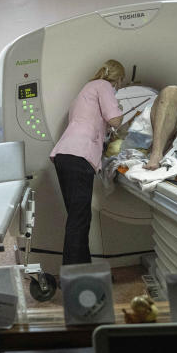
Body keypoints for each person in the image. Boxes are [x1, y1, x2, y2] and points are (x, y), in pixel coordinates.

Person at [49, 59, 125, 266]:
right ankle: (74, 277)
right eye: (121, 83)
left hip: (64, 155)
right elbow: (115, 120)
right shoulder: (105, 86)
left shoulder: (86, 89)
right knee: (80, 221)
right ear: (118, 79)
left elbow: (92, 122)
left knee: (77, 218)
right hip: (79, 156)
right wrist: (121, 111)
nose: (119, 87)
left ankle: (83, 270)